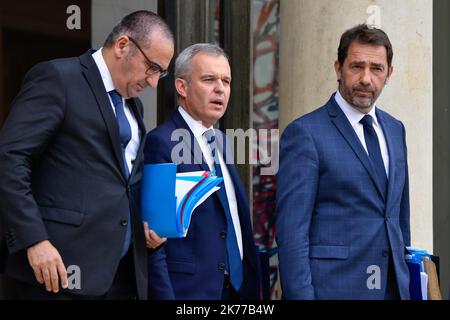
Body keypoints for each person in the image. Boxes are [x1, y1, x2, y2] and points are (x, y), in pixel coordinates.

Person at [0, 10, 174, 299]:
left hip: (121, 278)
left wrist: (143, 223)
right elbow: (10, 157)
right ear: (122, 45)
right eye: (152, 67)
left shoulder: (134, 108)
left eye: (161, 73)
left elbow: (120, 183)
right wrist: (34, 240)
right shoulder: (58, 78)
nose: (154, 82)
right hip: (55, 274)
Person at [276, 24, 411, 300]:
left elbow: (398, 219)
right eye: (356, 66)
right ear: (338, 68)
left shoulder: (396, 129)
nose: (365, 78)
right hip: (334, 290)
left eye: (376, 69)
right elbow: (292, 234)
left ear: (389, 74)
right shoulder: (305, 134)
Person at [144, 43, 260, 300]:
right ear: (182, 87)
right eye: (209, 79)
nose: (220, 88)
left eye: (226, 81)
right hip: (190, 293)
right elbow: (155, 239)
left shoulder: (223, 141)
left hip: (235, 291)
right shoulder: (162, 142)